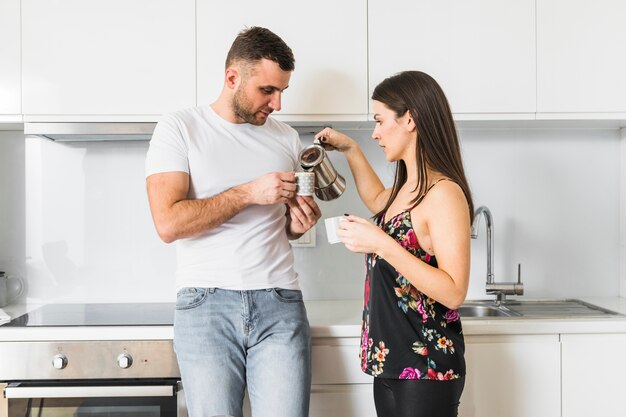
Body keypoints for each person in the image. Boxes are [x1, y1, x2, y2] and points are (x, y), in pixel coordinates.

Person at [145, 26, 321, 417]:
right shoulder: (180, 128)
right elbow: (168, 223)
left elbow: (285, 229)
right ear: (232, 78)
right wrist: (248, 193)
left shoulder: (287, 138)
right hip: (205, 305)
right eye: (267, 91)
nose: (277, 104)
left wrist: (298, 223)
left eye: (282, 92)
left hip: (280, 300)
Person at [315, 71, 474, 417]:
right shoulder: (408, 188)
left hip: (426, 366)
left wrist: (381, 244)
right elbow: (376, 198)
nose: (375, 132)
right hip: (394, 362)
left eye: (379, 120)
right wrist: (349, 148)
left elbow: (454, 291)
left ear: (410, 120)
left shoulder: (444, 194)